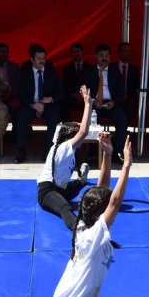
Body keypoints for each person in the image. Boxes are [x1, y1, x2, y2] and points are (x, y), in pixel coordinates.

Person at [51, 132, 132, 297]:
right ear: (100, 214)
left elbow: (103, 191)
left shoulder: (85, 221)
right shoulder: (92, 236)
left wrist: (107, 154)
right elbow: (113, 201)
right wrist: (126, 166)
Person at [37, 86, 97, 232]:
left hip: (60, 188)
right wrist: (88, 104)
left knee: (79, 187)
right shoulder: (63, 148)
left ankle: (82, 179)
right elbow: (83, 132)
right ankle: (81, 230)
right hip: (47, 192)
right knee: (65, 207)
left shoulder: (69, 150)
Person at [14, 44, 63, 163]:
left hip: (48, 105)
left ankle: (48, 150)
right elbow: (21, 93)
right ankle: (21, 150)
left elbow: (61, 92)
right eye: (39, 58)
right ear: (32, 59)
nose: (42, 61)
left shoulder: (51, 72)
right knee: (21, 118)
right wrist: (32, 104)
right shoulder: (25, 73)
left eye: (43, 58)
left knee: (54, 117)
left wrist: (50, 99)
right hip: (31, 105)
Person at [84, 43, 128, 164]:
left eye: (107, 56)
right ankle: (94, 151)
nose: (104, 58)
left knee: (122, 119)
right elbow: (83, 89)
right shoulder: (88, 71)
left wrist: (114, 102)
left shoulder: (115, 72)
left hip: (111, 103)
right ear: (95, 56)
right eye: (101, 55)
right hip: (94, 103)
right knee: (92, 120)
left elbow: (121, 91)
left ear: (110, 57)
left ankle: (117, 152)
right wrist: (93, 101)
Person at [113, 42, 140, 123]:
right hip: (115, 97)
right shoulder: (112, 67)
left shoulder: (134, 69)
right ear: (120, 53)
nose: (129, 53)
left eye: (130, 51)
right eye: (126, 51)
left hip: (129, 98)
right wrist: (119, 96)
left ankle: (124, 127)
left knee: (131, 105)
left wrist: (127, 96)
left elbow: (136, 86)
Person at [61, 43, 90, 120]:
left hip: (85, 96)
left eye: (78, 51)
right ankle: (68, 129)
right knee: (63, 104)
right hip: (72, 97)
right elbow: (65, 85)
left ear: (82, 52)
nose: (76, 54)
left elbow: (91, 84)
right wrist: (75, 95)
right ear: (71, 54)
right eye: (74, 52)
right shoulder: (67, 67)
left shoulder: (89, 67)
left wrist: (83, 96)